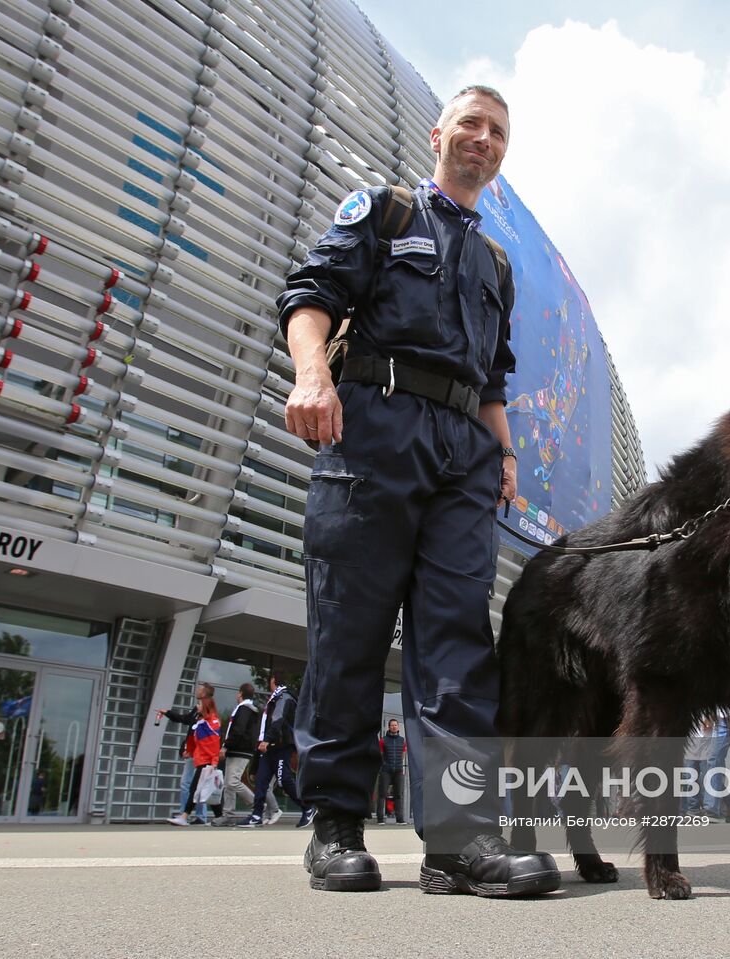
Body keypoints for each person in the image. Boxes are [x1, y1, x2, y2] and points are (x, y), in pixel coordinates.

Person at [278, 84, 559, 896]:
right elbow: (310, 298)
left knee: (459, 650)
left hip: (463, 455)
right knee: (350, 633)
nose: (483, 138)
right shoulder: (386, 212)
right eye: (470, 123)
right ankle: (334, 828)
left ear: (504, 152)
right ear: (439, 134)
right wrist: (313, 374)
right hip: (373, 429)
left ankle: (459, 843)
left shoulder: (497, 264)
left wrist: (502, 455)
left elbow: (494, 375)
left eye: (498, 131)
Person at [238, 673, 310, 828]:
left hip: (281, 745)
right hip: (270, 747)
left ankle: (307, 807)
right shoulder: (275, 699)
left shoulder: (284, 697)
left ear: (273, 681)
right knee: (261, 780)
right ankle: (256, 815)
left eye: (269, 681)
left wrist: (268, 739)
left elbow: (278, 719)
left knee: (283, 779)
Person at [158, 684, 220, 825]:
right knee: (196, 786)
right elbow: (187, 722)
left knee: (196, 787)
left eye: (200, 688)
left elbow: (213, 738)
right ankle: (217, 816)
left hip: (205, 756)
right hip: (197, 754)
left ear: (204, 693)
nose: (197, 689)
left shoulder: (208, 713)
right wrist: (168, 712)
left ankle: (191, 816)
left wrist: (214, 759)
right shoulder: (198, 712)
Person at [210, 683, 261, 825]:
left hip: (240, 750)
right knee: (228, 784)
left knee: (232, 781)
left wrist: (226, 746)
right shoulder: (247, 709)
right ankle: (228, 815)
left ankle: (257, 805)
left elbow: (238, 730)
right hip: (238, 750)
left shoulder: (244, 709)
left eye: (237, 693)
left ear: (240, 693)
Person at [377, 719, 407, 824]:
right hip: (386, 771)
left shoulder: (402, 740)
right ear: (389, 727)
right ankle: (380, 819)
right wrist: (385, 764)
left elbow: (403, 755)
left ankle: (400, 819)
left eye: (395, 725)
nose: (394, 727)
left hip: (398, 771)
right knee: (382, 795)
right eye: (392, 725)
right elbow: (380, 754)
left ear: (398, 727)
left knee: (398, 795)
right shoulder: (383, 740)